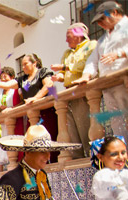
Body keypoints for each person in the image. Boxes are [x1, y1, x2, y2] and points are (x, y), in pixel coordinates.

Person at [75, 1, 128, 142]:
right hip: (109, 86)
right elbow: (92, 60)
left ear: (114, 12)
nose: (100, 24)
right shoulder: (102, 40)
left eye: (102, 19)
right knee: (116, 121)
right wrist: (86, 75)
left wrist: (120, 53)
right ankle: (123, 153)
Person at [0, 54, 58, 161]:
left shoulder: (42, 72)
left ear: (34, 63)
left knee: (49, 137)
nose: (23, 67)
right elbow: (8, 85)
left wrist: (36, 98)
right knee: (34, 140)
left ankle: (53, 161)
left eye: (25, 64)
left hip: (46, 111)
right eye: (22, 65)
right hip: (31, 115)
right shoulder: (23, 79)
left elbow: (48, 85)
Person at [51, 23, 97, 158]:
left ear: (78, 34)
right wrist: (58, 77)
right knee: (71, 132)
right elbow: (65, 74)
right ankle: (78, 160)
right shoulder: (67, 53)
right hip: (68, 94)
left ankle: (92, 157)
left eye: (68, 36)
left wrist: (64, 67)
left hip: (82, 92)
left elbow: (85, 64)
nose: (66, 40)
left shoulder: (91, 45)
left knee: (85, 128)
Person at [0, 67, 24, 169]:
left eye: (5, 77)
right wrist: (0, 108)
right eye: (1, 78)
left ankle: (20, 162)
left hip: (16, 118)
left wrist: (11, 108)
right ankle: (6, 164)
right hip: (4, 120)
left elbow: (23, 102)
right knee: (5, 139)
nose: (3, 80)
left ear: (12, 77)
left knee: (16, 138)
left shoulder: (16, 89)